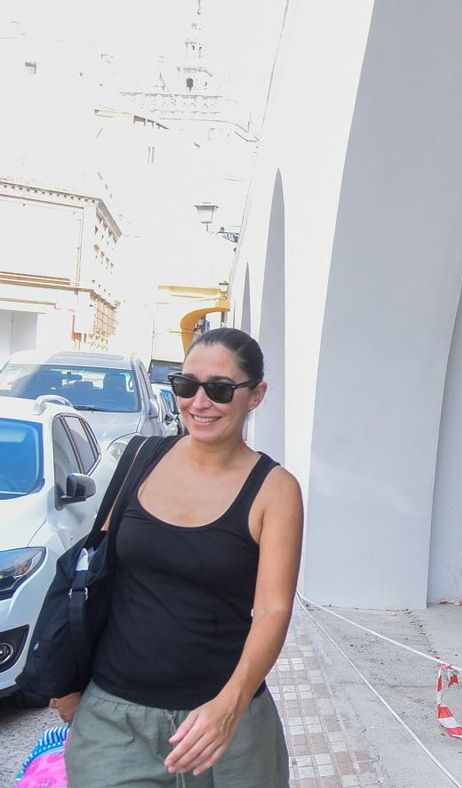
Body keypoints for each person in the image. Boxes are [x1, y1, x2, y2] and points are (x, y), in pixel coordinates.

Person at [52, 327, 304, 787]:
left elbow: (272, 609)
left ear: (256, 394)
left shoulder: (275, 489)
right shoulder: (139, 457)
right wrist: (66, 678)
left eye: (220, 389)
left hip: (226, 725)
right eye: (186, 385)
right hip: (115, 720)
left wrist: (230, 706)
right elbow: (95, 572)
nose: (199, 402)